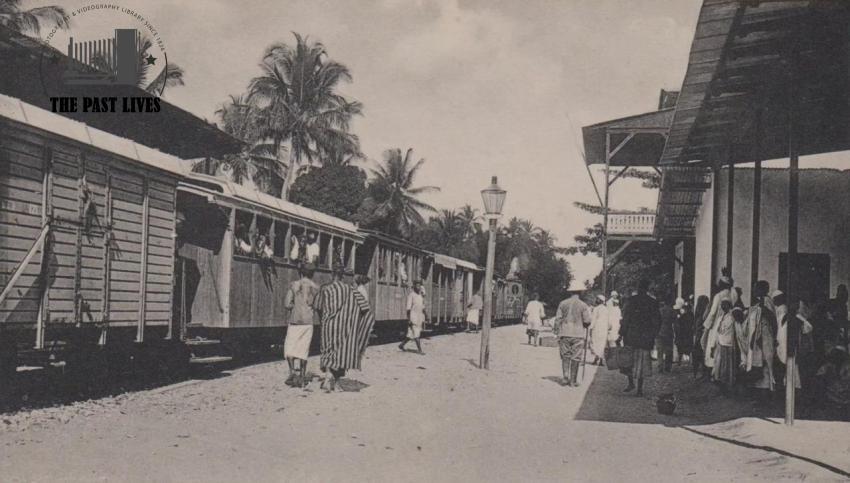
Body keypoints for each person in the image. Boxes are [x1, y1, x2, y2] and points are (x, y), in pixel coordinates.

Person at [315, 266, 376, 392]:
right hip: (344, 327)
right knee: (341, 354)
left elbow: (318, 306)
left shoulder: (325, 288)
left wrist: (324, 320)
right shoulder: (350, 290)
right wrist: (356, 322)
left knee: (327, 351)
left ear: (332, 274)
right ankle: (336, 383)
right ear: (343, 276)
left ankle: (327, 378)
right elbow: (365, 307)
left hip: (328, 326)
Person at [619, 279, 661, 397]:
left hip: (631, 336)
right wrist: (654, 334)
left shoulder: (631, 301)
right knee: (642, 363)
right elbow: (657, 320)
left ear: (638, 288)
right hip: (645, 337)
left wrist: (621, 333)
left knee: (629, 361)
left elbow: (625, 319)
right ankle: (640, 389)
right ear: (647, 288)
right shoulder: (653, 302)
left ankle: (631, 383)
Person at [282, 264, 320, 387]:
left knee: (290, 347)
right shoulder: (316, 288)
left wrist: (295, 306)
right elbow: (317, 306)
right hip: (308, 322)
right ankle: (303, 376)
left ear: (301, 273)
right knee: (304, 349)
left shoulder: (294, 285)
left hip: (295, 321)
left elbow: (287, 304)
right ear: (312, 274)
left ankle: (292, 372)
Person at [743, 281, 777, 393]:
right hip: (757, 338)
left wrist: (763, 308)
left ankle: (766, 391)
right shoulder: (758, 303)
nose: (753, 291)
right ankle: (759, 390)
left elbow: (772, 319)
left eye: (756, 288)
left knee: (765, 364)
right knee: (757, 363)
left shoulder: (767, 301)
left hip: (765, 337)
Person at [552, 290, 592, 387]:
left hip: (565, 332)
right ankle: (573, 381)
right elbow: (587, 321)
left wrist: (556, 331)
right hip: (578, 334)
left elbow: (558, 319)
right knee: (576, 357)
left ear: (570, 293)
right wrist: (585, 324)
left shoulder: (563, 303)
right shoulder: (583, 305)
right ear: (580, 293)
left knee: (565, 355)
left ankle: (565, 377)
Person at [700, 269, 737, 371]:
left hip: (718, 322)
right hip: (730, 321)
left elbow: (712, 313)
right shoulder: (733, 294)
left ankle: (714, 369)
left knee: (713, 345)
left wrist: (706, 326)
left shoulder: (719, 296)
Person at [711, 297, 738, 394]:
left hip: (728, 344)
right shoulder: (722, 316)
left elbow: (726, 330)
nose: (722, 306)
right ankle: (722, 384)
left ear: (729, 305)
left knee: (727, 366)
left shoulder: (731, 316)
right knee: (720, 365)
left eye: (724, 304)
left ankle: (728, 386)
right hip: (721, 343)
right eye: (721, 304)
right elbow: (718, 331)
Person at [400, 280, 427, 354]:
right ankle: (420, 350)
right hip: (413, 317)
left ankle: (401, 345)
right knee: (416, 334)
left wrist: (426, 315)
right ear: (414, 286)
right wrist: (409, 319)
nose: (418, 287)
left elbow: (423, 307)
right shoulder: (411, 295)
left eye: (419, 286)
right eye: (417, 286)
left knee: (410, 334)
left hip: (419, 317)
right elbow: (408, 309)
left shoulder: (420, 296)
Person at [691, 295, 710, 379]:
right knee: (703, 355)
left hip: (698, 338)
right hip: (704, 338)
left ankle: (695, 373)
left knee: (696, 356)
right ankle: (704, 373)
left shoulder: (697, 314)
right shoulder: (706, 314)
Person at [657, 298, 676, 373]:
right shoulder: (672, 311)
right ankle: (667, 367)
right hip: (669, 332)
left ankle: (660, 366)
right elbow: (675, 323)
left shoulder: (659, 311)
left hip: (659, 332)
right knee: (669, 350)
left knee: (660, 350)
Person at [589, 294, 609, 365]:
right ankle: (599, 359)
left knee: (596, 343)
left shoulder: (596, 309)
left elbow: (593, 319)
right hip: (604, 328)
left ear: (599, 301)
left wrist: (591, 328)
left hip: (597, 328)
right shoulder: (606, 309)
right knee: (602, 344)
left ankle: (597, 359)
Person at [674, 297, 693, 363]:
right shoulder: (690, 315)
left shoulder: (682, 316)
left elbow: (679, 324)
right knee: (686, 346)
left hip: (682, 334)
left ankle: (680, 359)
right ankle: (686, 359)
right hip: (687, 333)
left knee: (681, 346)